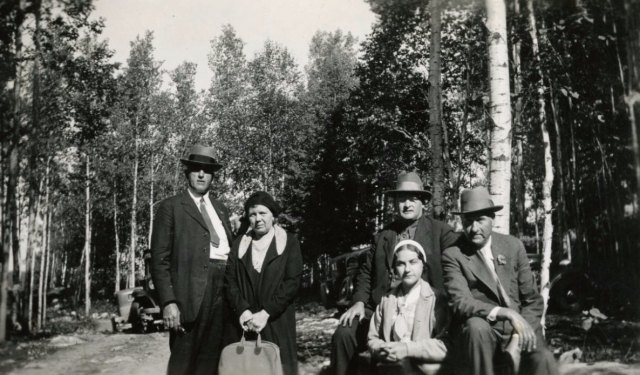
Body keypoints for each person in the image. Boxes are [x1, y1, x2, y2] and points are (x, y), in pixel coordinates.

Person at [331, 172, 461, 375]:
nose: (407, 204)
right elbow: (367, 272)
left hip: (423, 311)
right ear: (395, 203)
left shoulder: (441, 233)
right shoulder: (383, 236)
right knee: (344, 333)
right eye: (402, 199)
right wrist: (358, 302)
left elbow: (457, 267)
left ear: (423, 203)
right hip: (381, 309)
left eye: (413, 198)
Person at [441, 186, 559, 375]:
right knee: (475, 327)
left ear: (492, 219)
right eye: (468, 221)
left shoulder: (513, 246)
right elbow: (460, 302)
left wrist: (516, 336)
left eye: (480, 220)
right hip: (483, 328)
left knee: (543, 358)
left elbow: (532, 300)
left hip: (519, 326)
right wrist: (504, 312)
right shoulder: (453, 254)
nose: (474, 228)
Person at [150, 144, 234, 375]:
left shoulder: (222, 209)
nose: (201, 174)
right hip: (190, 296)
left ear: (212, 175)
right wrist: (168, 302)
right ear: (187, 173)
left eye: (206, 170)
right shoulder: (171, 207)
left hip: (223, 293)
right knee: (183, 365)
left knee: (212, 363)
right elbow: (159, 260)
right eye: (196, 169)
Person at [224, 191, 303, 375]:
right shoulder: (239, 245)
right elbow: (230, 281)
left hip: (277, 322)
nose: (258, 219)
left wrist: (266, 313)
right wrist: (243, 310)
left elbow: (292, 283)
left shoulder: (289, 243)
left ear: (273, 215)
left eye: (263, 213)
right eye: (252, 214)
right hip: (245, 324)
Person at [368, 240, 450, 375]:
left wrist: (408, 349)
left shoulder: (436, 299)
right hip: (392, 368)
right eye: (400, 264)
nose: (407, 269)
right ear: (394, 268)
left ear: (423, 265)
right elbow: (373, 337)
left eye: (413, 262)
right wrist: (382, 350)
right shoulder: (387, 300)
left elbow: (446, 345)